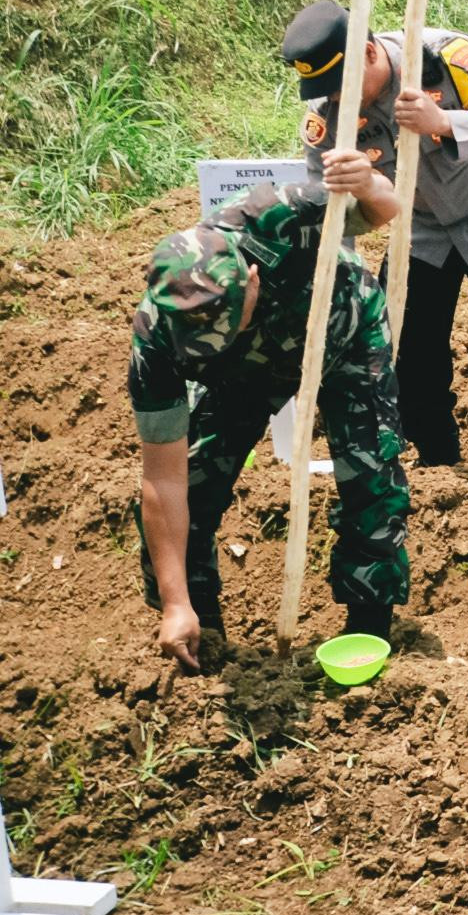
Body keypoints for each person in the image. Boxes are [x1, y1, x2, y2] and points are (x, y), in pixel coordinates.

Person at [284, 0, 468, 472]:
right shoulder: (326, 121)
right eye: (323, 90)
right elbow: (330, 216)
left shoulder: (447, 57)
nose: (336, 101)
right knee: (409, 350)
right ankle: (439, 464)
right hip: (420, 229)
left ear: (367, 52)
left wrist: (443, 122)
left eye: (339, 85)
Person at [130, 171, 411, 669]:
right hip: (238, 376)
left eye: (223, 326)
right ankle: (201, 634)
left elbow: (386, 206)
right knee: (195, 481)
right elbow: (163, 481)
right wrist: (175, 603)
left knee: (371, 471)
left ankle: (369, 625)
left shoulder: (279, 213)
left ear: (250, 281)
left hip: (344, 330)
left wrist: (364, 179)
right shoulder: (158, 339)